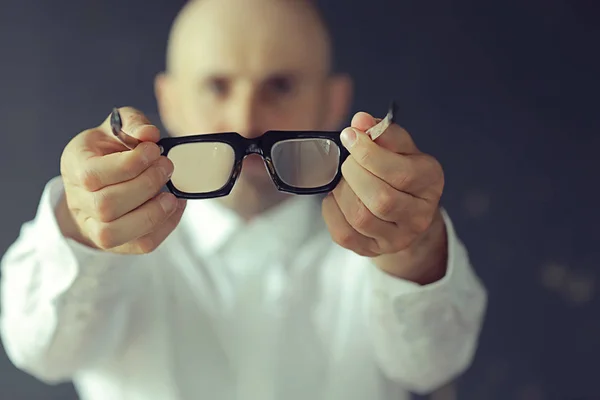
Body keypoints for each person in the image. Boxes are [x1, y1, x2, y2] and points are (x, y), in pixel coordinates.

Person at [0, 0, 487, 399]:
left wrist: (416, 251)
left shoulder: (384, 236)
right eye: (217, 85)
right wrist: (82, 227)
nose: (246, 117)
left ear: (333, 101)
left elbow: (432, 365)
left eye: (280, 85)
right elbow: (40, 350)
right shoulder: (115, 253)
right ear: (168, 101)